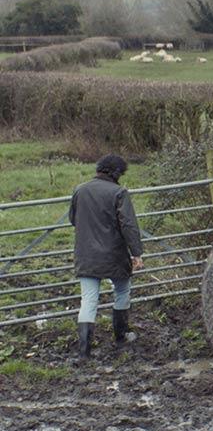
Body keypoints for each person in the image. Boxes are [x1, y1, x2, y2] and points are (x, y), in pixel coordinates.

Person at [69, 154, 143, 359]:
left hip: (86, 255)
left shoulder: (80, 190)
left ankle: (84, 351)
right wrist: (137, 253)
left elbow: (72, 219)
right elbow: (128, 225)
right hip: (114, 255)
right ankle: (120, 336)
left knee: (89, 300)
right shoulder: (119, 192)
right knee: (122, 289)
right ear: (117, 173)